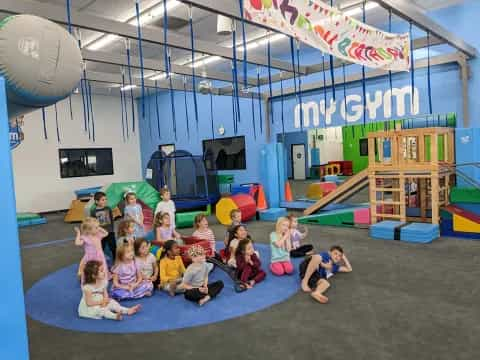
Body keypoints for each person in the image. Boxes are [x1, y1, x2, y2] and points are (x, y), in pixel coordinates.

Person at [75, 217, 109, 282]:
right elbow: (77, 243)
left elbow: (106, 233)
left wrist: (99, 228)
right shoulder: (85, 238)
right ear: (89, 230)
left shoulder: (98, 235)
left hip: (99, 255)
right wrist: (78, 234)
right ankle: (89, 278)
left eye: (98, 227)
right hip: (91, 257)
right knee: (91, 269)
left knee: (101, 267)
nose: (98, 229)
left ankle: (101, 277)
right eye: (96, 228)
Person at [90, 191, 116, 260]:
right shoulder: (94, 211)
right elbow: (93, 222)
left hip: (110, 231)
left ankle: (115, 259)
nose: (105, 201)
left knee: (113, 246)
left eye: (106, 199)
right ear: (96, 201)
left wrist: (112, 230)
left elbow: (111, 219)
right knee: (101, 247)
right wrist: (95, 232)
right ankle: (100, 259)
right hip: (100, 233)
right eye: (103, 200)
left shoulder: (108, 208)